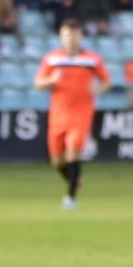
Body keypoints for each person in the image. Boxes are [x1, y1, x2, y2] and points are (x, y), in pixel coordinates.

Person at [33, 19, 109, 209]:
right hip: (58, 114)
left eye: (74, 34)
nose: (71, 38)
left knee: (73, 152)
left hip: (81, 112)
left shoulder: (91, 59)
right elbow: (38, 84)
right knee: (57, 160)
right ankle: (74, 179)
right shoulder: (52, 59)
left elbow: (106, 81)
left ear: (80, 36)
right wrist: (51, 79)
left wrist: (96, 90)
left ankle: (70, 198)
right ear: (61, 36)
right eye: (67, 34)